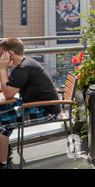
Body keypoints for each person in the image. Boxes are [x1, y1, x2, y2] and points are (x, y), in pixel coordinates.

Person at [0, 38, 60, 168]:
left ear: (9, 53)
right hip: (34, 103)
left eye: (1, 54)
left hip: (45, 110)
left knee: (1, 122)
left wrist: (2, 69)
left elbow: (8, 93)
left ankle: (2, 163)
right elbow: (7, 86)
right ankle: (4, 151)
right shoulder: (24, 64)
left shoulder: (24, 68)